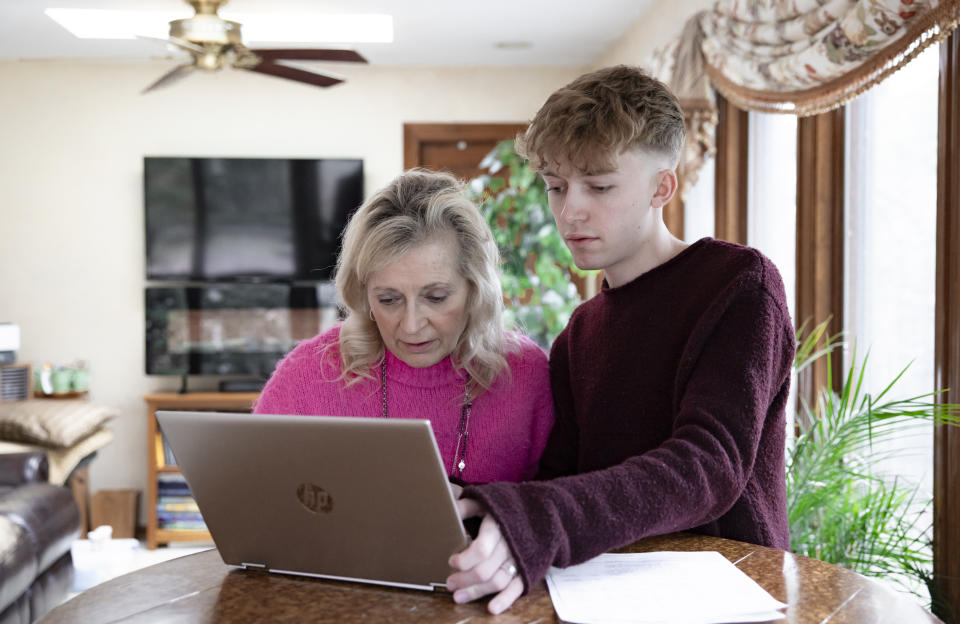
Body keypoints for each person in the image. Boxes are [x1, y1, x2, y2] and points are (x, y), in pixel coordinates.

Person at [445, 65, 796, 613]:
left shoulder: (739, 285)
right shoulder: (579, 333)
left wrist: (540, 517)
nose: (570, 210)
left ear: (663, 186)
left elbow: (709, 464)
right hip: (601, 596)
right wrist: (471, 506)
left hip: (729, 595)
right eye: (556, 187)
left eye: (599, 186)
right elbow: (562, 477)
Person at [254, 169, 554, 484]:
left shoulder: (525, 373)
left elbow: (555, 510)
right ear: (364, 294)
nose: (411, 326)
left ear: (475, 289)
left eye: (436, 297)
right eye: (389, 300)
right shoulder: (307, 375)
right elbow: (250, 497)